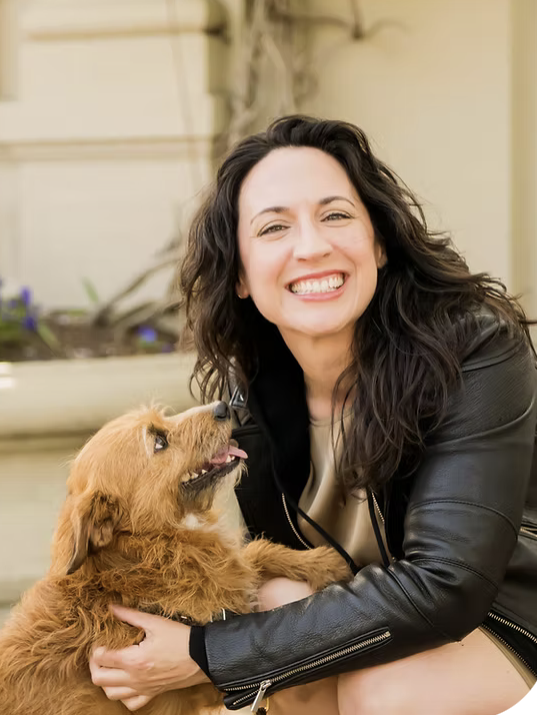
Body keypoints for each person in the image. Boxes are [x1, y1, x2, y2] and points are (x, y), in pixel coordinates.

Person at [89, 115, 537, 714]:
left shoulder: (473, 352)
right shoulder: (249, 399)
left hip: (502, 614)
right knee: (272, 601)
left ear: (379, 242)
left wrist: (207, 654)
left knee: (382, 692)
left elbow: (449, 583)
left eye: (336, 216)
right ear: (241, 274)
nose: (312, 246)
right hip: (381, 622)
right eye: (274, 227)